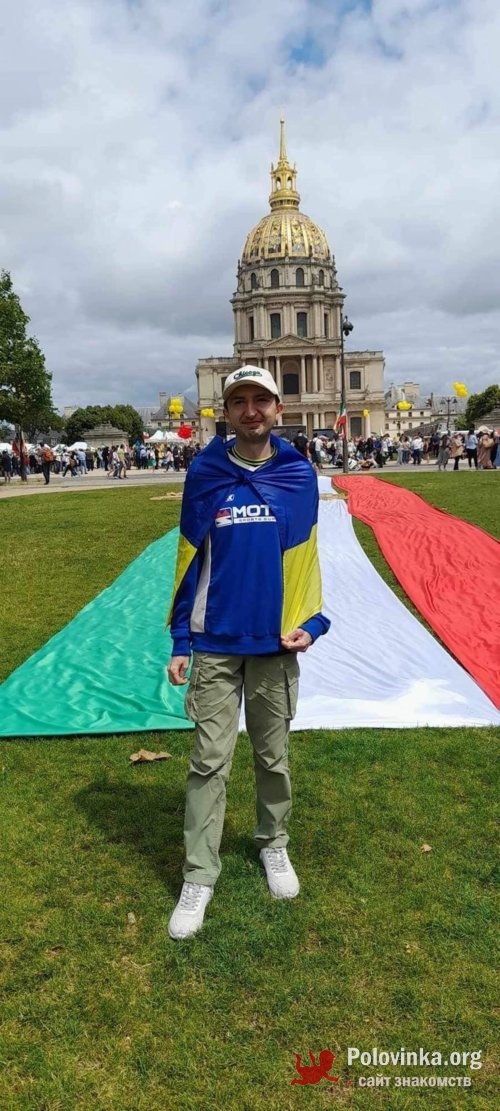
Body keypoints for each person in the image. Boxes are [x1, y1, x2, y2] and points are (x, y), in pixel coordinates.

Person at [166, 365, 330, 941]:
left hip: (273, 642)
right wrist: (181, 639)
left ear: (278, 409)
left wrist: (314, 622)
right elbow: (189, 558)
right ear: (227, 412)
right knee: (208, 761)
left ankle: (273, 843)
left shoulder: (297, 473)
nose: (252, 410)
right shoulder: (205, 471)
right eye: (240, 401)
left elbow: (308, 556)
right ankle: (199, 874)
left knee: (273, 756)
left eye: (262, 399)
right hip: (214, 641)